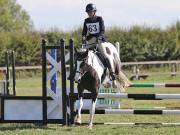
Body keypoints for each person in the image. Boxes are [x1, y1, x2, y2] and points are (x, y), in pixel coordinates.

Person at [82, 3, 116, 80]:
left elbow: (102, 30)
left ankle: (111, 72)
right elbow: (84, 32)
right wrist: (84, 39)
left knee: (104, 54)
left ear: (94, 12)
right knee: (83, 54)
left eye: (90, 12)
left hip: (99, 40)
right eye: (88, 12)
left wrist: (99, 38)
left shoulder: (99, 19)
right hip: (90, 41)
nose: (89, 14)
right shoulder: (86, 21)